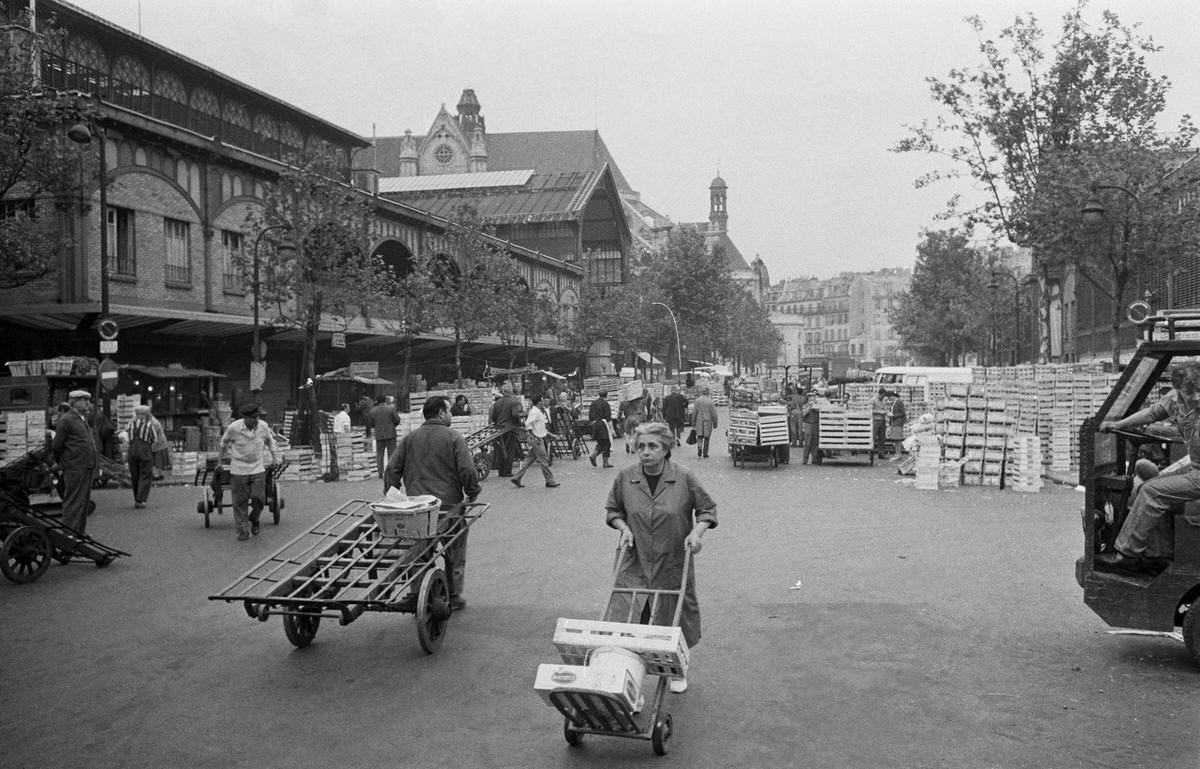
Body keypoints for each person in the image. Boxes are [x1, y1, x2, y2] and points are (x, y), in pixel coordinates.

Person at [605, 422, 717, 694]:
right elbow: (613, 510)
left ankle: (676, 669)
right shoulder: (625, 477)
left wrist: (696, 535)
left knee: (672, 616)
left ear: (666, 449)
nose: (645, 452)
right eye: (641, 446)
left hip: (672, 559)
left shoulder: (684, 477)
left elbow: (707, 510)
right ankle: (630, 681)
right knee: (632, 616)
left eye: (653, 446)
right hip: (636, 559)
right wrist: (624, 528)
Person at [1097, 361, 1200, 572]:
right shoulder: (1175, 400)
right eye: (1190, 393)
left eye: (1199, 391)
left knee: (1152, 491)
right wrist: (1118, 425)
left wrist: (1169, 432)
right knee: (1150, 486)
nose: (1196, 397)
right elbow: (1153, 413)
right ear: (1178, 389)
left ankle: (1126, 554)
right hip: (1195, 466)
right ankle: (1157, 554)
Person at [385, 396, 481, 611]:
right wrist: (473, 491)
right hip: (449, 508)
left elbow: (392, 470)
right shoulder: (454, 438)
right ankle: (454, 595)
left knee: (419, 551)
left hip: (417, 510)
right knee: (455, 552)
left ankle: (417, 594)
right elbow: (467, 470)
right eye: (448, 411)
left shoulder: (410, 439)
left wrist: (392, 497)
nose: (451, 415)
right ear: (440, 413)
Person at [219, 403, 280, 541]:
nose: (256, 420)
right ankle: (243, 531)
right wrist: (219, 462)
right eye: (253, 418)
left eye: (257, 417)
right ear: (245, 418)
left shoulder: (263, 426)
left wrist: (275, 458)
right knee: (240, 502)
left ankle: (254, 517)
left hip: (257, 468)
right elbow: (223, 444)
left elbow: (271, 441)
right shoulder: (234, 428)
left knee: (259, 498)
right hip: (238, 471)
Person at [51, 389, 98, 535]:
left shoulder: (81, 418)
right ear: (75, 402)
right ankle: (69, 535)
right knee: (73, 502)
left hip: (86, 465)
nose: (88, 403)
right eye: (85, 400)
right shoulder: (67, 419)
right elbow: (57, 446)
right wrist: (64, 462)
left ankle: (79, 533)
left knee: (83, 502)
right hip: (75, 466)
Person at [510, 395, 560, 489]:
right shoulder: (535, 412)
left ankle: (517, 477)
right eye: (541, 401)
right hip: (536, 439)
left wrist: (550, 434)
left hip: (537, 438)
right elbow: (527, 423)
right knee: (544, 460)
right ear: (539, 402)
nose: (542, 402)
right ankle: (549, 480)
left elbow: (540, 427)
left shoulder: (537, 411)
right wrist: (532, 433)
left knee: (529, 460)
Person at [489, 383, 524, 477]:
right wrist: (519, 423)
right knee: (509, 449)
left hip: (499, 429)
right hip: (509, 428)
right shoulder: (513, 401)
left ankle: (501, 471)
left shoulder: (497, 402)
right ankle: (507, 471)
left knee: (500, 449)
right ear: (511, 391)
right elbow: (515, 415)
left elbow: (493, 416)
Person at [126, 405, 157, 509]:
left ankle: (136, 498)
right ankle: (141, 499)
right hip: (144, 451)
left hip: (132, 451)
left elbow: (126, 437)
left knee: (135, 475)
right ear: (146, 415)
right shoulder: (149, 425)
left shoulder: (130, 423)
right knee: (145, 474)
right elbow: (154, 439)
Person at [370, 395, 401, 485]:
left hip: (379, 434)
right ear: (385, 400)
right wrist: (392, 425)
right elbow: (397, 420)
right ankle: (391, 471)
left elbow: (371, 423)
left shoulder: (373, 411)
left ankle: (380, 472)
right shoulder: (391, 409)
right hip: (390, 434)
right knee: (391, 453)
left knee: (380, 453)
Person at [587, 390, 614, 468]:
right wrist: (612, 430)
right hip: (603, 424)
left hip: (595, 424)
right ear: (606, 396)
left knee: (601, 442)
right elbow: (608, 418)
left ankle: (594, 455)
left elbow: (590, 416)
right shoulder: (606, 404)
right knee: (607, 443)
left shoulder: (593, 403)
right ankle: (604, 462)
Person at [691, 387, 718, 459]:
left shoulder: (697, 401)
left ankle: (699, 447)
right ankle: (705, 453)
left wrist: (693, 422)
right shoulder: (710, 402)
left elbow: (694, 412)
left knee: (699, 436)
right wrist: (715, 424)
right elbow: (714, 414)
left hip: (699, 421)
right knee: (707, 437)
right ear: (708, 393)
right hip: (707, 421)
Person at [801, 393, 821, 465]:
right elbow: (803, 413)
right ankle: (805, 460)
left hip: (816, 424)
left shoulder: (817, 405)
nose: (811, 398)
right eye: (810, 397)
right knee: (807, 443)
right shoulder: (805, 405)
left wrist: (815, 406)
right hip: (808, 424)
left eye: (812, 397)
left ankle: (814, 459)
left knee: (815, 443)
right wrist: (810, 406)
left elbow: (820, 411)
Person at [871, 388, 890, 458]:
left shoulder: (884, 401)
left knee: (882, 438)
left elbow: (885, 409)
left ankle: (881, 453)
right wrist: (879, 412)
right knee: (873, 437)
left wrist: (887, 413)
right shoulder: (873, 400)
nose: (883, 397)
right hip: (875, 420)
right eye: (882, 396)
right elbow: (870, 410)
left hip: (882, 421)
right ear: (879, 394)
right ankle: (871, 453)